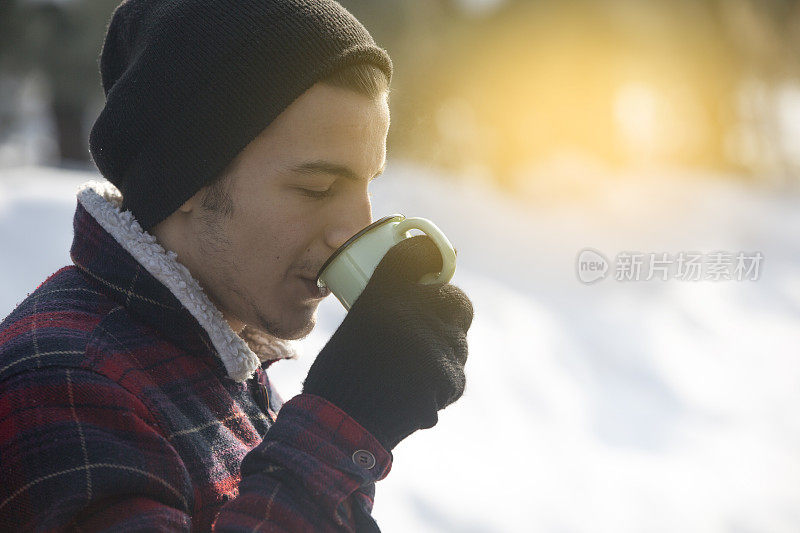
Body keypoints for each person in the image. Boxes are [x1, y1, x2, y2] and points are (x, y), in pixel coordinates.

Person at [0, 0, 474, 531]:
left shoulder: (218, 354)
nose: (353, 230)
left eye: (367, 186)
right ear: (186, 178)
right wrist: (343, 427)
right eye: (316, 188)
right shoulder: (63, 385)